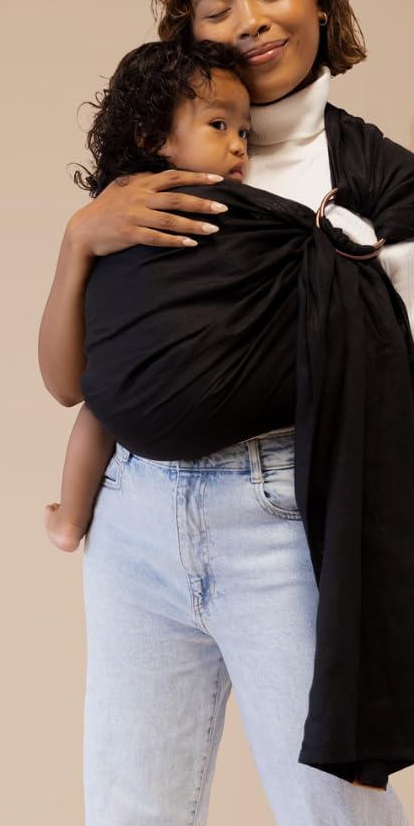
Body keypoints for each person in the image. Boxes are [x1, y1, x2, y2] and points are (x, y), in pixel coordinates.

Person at [37, 0, 414, 826]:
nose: (251, 19)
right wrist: (80, 237)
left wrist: (394, 594)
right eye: (216, 5)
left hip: (290, 526)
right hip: (133, 522)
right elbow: (87, 370)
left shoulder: (385, 191)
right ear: (187, 32)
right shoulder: (153, 176)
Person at [44, 39, 252, 552]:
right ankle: (70, 520)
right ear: (152, 135)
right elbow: (68, 379)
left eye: (245, 131)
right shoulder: (123, 208)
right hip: (140, 371)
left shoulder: (232, 207)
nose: (238, 145)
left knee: (101, 410)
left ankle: (69, 521)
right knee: (101, 405)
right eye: (219, 125)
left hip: (172, 379)